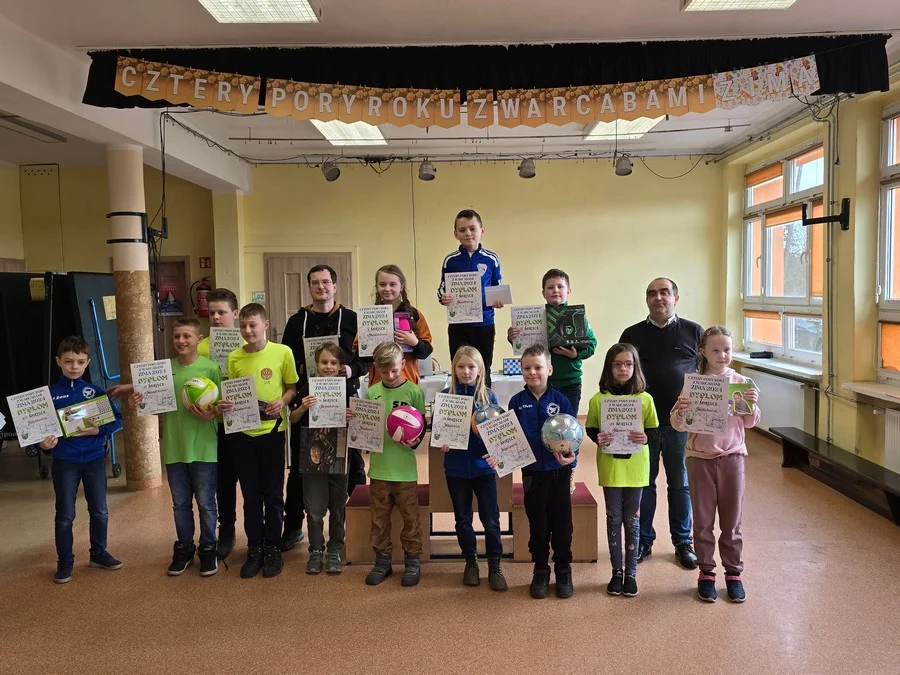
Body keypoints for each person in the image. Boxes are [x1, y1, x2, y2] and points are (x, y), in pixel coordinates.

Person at [124, 318, 221, 577]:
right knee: (180, 504)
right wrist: (140, 402)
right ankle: (184, 548)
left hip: (205, 449)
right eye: (177, 336)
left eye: (187, 336)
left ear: (199, 339)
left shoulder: (211, 368)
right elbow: (156, 405)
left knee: (206, 503)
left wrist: (211, 414)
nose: (181, 341)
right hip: (175, 447)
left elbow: (221, 409)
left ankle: (208, 548)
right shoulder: (163, 370)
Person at [671, 326, 760, 603]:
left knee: (732, 520)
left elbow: (750, 422)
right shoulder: (694, 384)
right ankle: (706, 571)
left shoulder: (741, 382)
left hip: (733, 457)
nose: (722, 355)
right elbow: (678, 424)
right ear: (703, 352)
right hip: (700, 459)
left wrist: (752, 405)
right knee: (703, 520)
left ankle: (733, 573)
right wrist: (681, 411)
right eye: (716, 350)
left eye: (727, 350)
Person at [280, 265, 365, 552]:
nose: (321, 287)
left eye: (326, 282)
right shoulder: (297, 321)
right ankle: (293, 527)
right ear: (309, 287)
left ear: (335, 286)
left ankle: (355, 527)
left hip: (345, 400)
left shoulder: (352, 319)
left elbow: (367, 358)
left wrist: (352, 370)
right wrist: (296, 398)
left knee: (353, 466)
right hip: (309, 402)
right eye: (315, 282)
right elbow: (288, 363)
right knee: (301, 468)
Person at [620, 277, 702, 569]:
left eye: (664, 292)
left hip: (681, 424)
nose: (658, 298)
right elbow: (621, 374)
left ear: (675, 298)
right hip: (644, 425)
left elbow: (708, 376)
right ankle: (644, 541)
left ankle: (683, 542)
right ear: (647, 300)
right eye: (652, 293)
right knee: (645, 483)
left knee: (680, 484)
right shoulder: (632, 334)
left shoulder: (694, 332)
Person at [220, 303, 298, 579]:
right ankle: (254, 547)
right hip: (243, 435)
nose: (247, 330)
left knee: (273, 494)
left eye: (253, 325)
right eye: (243, 325)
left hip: (272, 432)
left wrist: (282, 402)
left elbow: (291, 388)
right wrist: (227, 404)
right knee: (251, 495)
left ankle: (273, 547)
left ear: (265, 325)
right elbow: (232, 392)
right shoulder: (234, 357)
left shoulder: (282, 352)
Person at [40, 336, 123, 584]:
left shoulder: (94, 392)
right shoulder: (48, 396)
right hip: (65, 462)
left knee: (100, 510)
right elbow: (37, 434)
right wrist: (43, 445)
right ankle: (65, 561)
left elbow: (116, 420)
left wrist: (98, 430)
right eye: (68, 361)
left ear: (87, 363)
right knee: (65, 515)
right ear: (58, 361)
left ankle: (98, 553)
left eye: (79, 362)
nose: (74, 367)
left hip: (95, 460)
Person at [585, 343, 658, 598]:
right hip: (611, 467)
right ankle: (617, 572)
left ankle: (632, 573)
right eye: (617, 364)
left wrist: (645, 438)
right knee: (614, 518)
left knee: (632, 519)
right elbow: (591, 428)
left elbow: (653, 430)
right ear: (609, 367)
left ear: (635, 367)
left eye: (628, 364)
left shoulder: (645, 399)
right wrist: (598, 438)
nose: (623, 369)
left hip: (636, 468)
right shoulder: (598, 400)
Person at [505, 345, 577, 600]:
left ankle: (563, 569)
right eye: (527, 368)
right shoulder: (517, 402)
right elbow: (508, 437)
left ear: (550, 370)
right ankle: (540, 569)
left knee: (562, 524)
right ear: (521, 370)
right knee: (538, 523)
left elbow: (574, 436)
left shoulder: (561, 401)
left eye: (538, 367)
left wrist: (571, 459)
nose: (533, 372)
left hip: (558, 473)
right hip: (532, 474)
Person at [436, 346, 507, 591]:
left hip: (483, 468)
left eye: (471, 367)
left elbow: (498, 435)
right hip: (455, 468)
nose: (466, 372)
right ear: (454, 368)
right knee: (462, 519)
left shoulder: (490, 398)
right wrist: (442, 440)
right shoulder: (445, 397)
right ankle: (471, 561)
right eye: (461, 366)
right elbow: (440, 432)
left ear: (480, 370)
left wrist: (495, 452)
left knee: (491, 519)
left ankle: (495, 564)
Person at [362, 342, 426, 587]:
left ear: (403, 365)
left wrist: (415, 440)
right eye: (384, 371)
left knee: (411, 518)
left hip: (405, 470)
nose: (389, 375)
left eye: (394, 370)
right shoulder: (371, 393)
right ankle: (382, 561)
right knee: (379, 519)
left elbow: (421, 427)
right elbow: (366, 428)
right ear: (376, 367)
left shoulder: (414, 392)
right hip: (379, 468)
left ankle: (413, 561)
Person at [290, 343, 352, 575]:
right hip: (312, 455)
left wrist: (350, 415)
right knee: (314, 506)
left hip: (338, 452)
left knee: (338, 504)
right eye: (324, 362)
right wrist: (303, 407)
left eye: (333, 363)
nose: (328, 367)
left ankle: (335, 548)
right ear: (316, 364)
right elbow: (292, 418)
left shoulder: (348, 388)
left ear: (340, 365)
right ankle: (316, 550)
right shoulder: (307, 388)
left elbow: (360, 421)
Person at [507, 269, 597, 413]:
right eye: (550, 287)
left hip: (570, 382)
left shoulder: (577, 317)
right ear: (543, 293)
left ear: (568, 291)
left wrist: (575, 355)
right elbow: (526, 348)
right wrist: (513, 337)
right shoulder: (534, 317)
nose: (555, 290)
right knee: (541, 421)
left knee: (568, 422)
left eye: (560, 286)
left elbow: (592, 346)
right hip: (542, 383)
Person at [197, 287, 241, 560]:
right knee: (223, 481)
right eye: (211, 313)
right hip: (215, 424)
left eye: (221, 312)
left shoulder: (248, 341)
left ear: (234, 313)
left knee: (251, 480)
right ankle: (227, 529)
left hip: (245, 422)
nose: (215, 317)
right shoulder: (201, 347)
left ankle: (259, 531)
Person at [437, 209, 503, 386]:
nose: (468, 233)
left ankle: (484, 402)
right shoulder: (450, 260)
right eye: (462, 230)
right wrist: (443, 298)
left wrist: (498, 300)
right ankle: (460, 402)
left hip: (484, 323)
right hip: (458, 324)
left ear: (482, 230)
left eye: (472, 228)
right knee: (459, 369)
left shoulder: (491, 259)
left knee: (483, 368)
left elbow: (497, 286)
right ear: (456, 234)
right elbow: (442, 288)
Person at [363, 264, 434, 385]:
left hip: (407, 382)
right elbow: (359, 354)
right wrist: (372, 344)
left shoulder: (414, 314)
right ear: (377, 287)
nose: (387, 288)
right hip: (379, 383)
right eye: (382, 284)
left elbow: (425, 352)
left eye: (392, 284)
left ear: (401, 286)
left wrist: (414, 342)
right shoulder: (368, 316)